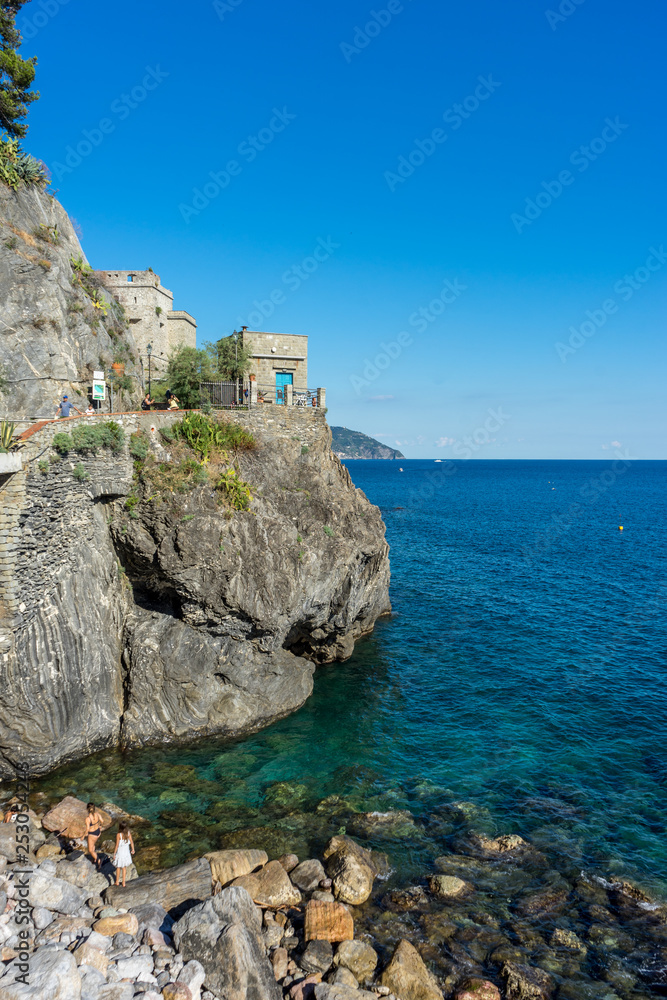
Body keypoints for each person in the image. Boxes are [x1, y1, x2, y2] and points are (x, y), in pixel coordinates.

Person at [113, 822, 135, 887]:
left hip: (120, 852)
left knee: (118, 867)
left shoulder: (118, 835)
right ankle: (123, 883)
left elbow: (117, 845)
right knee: (124, 868)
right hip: (126, 853)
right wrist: (133, 849)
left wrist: (114, 853)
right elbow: (131, 842)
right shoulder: (128, 833)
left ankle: (117, 882)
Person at [85, 802, 104, 870]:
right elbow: (102, 821)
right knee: (93, 845)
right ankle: (94, 859)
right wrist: (100, 827)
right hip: (98, 832)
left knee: (90, 850)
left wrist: (83, 836)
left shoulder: (88, 818)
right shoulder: (97, 814)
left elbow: (87, 829)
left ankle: (98, 860)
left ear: (87, 809)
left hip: (92, 834)